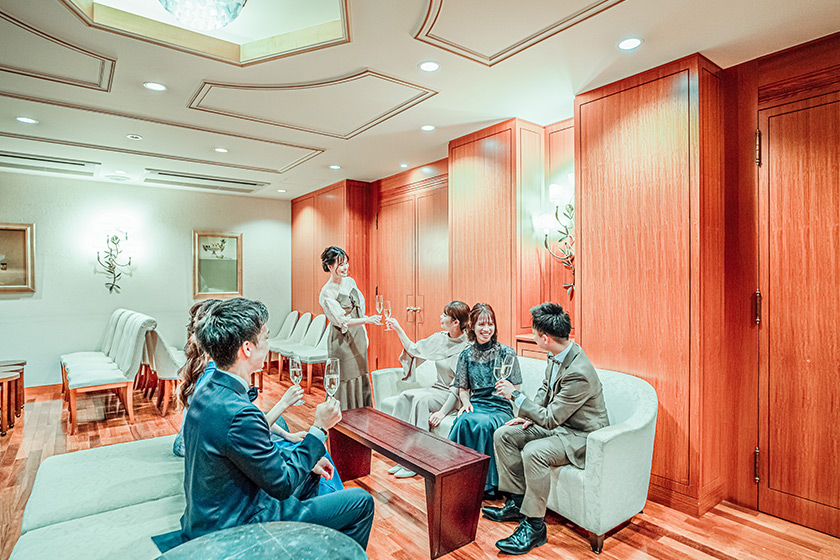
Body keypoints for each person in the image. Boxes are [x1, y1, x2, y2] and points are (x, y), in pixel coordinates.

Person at [180, 298, 374, 549]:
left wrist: (307, 460)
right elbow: (282, 484)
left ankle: (306, 548)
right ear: (247, 349)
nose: (269, 344)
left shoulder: (209, 387)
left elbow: (252, 455)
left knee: (311, 473)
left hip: (214, 514)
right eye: (266, 337)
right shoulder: (239, 413)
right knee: (361, 501)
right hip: (236, 527)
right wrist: (319, 428)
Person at [482, 302, 609, 555]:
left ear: (545, 338)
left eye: (534, 333)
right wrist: (527, 415)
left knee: (535, 452)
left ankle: (535, 527)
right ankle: (517, 503)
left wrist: (515, 396)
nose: (533, 336)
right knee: (504, 435)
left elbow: (550, 419)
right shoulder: (557, 353)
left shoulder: (579, 372)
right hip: (559, 425)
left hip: (580, 436)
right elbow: (545, 389)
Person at [432, 303, 522, 498]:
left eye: (490, 324)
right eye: (481, 324)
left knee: (482, 424)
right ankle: (457, 479)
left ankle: (485, 486)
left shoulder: (506, 353)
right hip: (477, 403)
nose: (486, 329)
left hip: (500, 406)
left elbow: (517, 389)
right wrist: (466, 403)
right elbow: (463, 389)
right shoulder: (466, 355)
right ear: (472, 326)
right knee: (463, 421)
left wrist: (508, 391)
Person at [384, 300, 471, 478]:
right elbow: (414, 350)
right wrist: (398, 328)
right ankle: (401, 455)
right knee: (405, 396)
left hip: (453, 395)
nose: (440, 317)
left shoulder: (467, 347)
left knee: (420, 400)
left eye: (444, 315)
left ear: (455, 322)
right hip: (437, 389)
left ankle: (417, 461)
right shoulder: (440, 338)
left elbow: (460, 385)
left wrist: (442, 412)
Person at [318, 246, 380, 411]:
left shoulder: (350, 281)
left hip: (358, 335)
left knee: (360, 373)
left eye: (346, 263)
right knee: (343, 376)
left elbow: (359, 308)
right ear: (330, 266)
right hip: (342, 340)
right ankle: (339, 417)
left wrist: (364, 332)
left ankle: (362, 414)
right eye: (340, 264)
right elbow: (341, 321)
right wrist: (367, 320)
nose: (345, 267)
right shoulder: (327, 292)